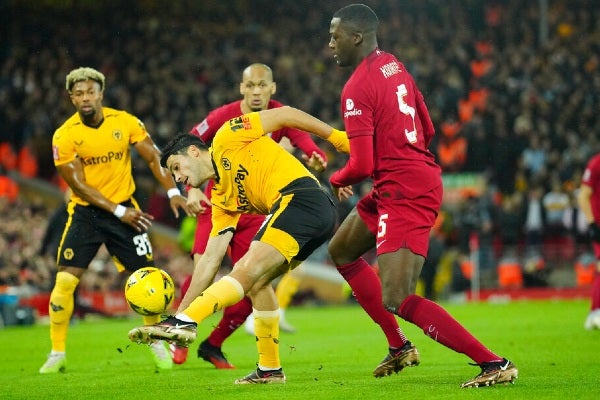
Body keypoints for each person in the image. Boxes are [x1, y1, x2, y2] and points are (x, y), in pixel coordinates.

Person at [324, 4, 517, 388]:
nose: (330, 44)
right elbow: (426, 127)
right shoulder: (394, 65)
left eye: (335, 36)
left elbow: (360, 165)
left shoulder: (356, 88)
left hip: (404, 190)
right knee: (342, 249)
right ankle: (399, 346)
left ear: (356, 37)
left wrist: (336, 177)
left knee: (397, 297)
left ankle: (494, 362)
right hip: (399, 180)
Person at [128, 106, 345, 384]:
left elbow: (285, 114)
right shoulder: (220, 197)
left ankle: (188, 323)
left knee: (247, 267)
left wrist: (336, 137)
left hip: (301, 197)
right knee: (257, 283)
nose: (178, 178)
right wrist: (180, 311)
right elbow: (209, 259)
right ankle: (270, 369)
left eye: (176, 168)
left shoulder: (227, 136)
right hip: (313, 218)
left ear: (193, 152)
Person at [171, 63, 328, 367]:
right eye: (251, 86)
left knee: (255, 283)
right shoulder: (224, 116)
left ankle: (213, 345)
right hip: (219, 204)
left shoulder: (279, 112)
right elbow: (186, 144)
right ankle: (181, 331)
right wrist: (190, 190)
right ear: (242, 89)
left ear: (272, 88)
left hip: (255, 207)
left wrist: (314, 154)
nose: (256, 92)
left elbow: (302, 139)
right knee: (203, 267)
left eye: (262, 86)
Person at [39, 67, 191, 374]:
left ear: (100, 93)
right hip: (87, 215)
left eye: (90, 92)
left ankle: (155, 340)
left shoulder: (125, 122)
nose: (85, 98)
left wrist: (174, 190)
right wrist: (120, 211)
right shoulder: (65, 136)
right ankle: (57, 353)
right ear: (71, 97)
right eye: (79, 93)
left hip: (126, 210)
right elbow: (78, 185)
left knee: (148, 278)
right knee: (64, 282)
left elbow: (153, 156)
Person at [577, 154, 600, 330]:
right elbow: (583, 195)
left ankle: (594, 313)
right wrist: (592, 224)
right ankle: (595, 312)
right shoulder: (595, 163)